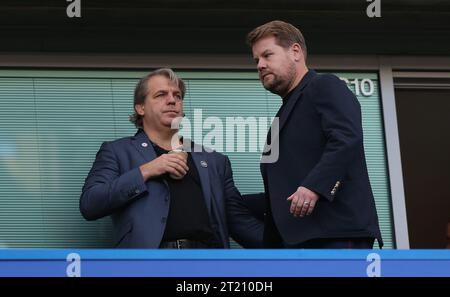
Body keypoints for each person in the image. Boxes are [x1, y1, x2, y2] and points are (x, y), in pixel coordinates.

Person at [80, 68, 263, 249]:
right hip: (149, 266)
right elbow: (90, 204)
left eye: (177, 96)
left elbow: (239, 221)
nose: (172, 100)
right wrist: (147, 170)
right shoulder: (117, 151)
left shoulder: (215, 161)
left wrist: (286, 247)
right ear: (140, 107)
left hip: (207, 264)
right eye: (161, 94)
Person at [245, 20, 383, 248]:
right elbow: (284, 191)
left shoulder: (324, 85)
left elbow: (347, 138)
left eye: (267, 55)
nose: (260, 65)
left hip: (335, 236)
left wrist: (315, 186)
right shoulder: (283, 114)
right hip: (297, 242)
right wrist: (223, 198)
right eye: (256, 60)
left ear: (295, 51)